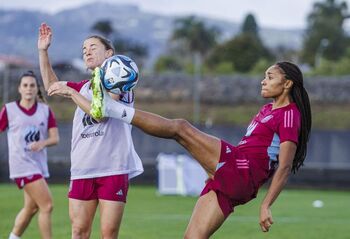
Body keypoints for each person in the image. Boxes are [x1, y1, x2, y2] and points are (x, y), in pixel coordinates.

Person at [56, 60, 311, 238]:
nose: (263, 80)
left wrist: (267, 204)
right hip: (233, 176)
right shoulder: (268, 109)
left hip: (242, 169)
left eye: (270, 76)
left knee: (180, 128)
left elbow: (285, 165)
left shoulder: (290, 115)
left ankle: (112, 110)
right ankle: (111, 108)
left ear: (287, 84)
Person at [38, 23, 143, 239]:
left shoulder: (120, 83)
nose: (87, 51)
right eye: (84, 49)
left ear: (109, 53)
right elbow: (51, 85)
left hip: (113, 168)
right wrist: (43, 51)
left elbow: (100, 113)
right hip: (83, 168)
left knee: (108, 234)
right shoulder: (84, 87)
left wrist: (71, 94)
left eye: (93, 46)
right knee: (78, 232)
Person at [0, 70, 59, 239]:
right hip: (21, 165)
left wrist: (43, 143)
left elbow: (55, 138)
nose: (28, 88)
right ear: (19, 88)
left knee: (31, 208)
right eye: (25, 85)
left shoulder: (45, 111)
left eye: (32, 85)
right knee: (47, 206)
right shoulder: (9, 110)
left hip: (39, 166)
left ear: (36, 88)